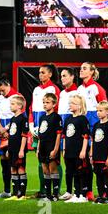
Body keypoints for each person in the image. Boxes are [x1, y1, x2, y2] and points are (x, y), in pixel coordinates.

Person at [29, 64, 61, 199]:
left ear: (50, 74)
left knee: (54, 161)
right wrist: (31, 124)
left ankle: (56, 191)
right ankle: (43, 190)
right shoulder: (36, 89)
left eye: (43, 72)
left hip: (50, 133)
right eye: (39, 72)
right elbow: (31, 108)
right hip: (38, 131)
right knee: (40, 160)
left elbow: (57, 108)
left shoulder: (54, 89)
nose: (40, 74)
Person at [77, 62, 108, 201]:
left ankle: (104, 192)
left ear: (91, 72)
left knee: (98, 162)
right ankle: (87, 191)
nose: (81, 70)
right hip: (82, 129)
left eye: (84, 68)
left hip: (95, 131)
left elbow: (105, 107)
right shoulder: (79, 89)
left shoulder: (96, 88)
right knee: (84, 163)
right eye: (81, 68)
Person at [0, 74, 23, 199]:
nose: (1, 92)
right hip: (2, 132)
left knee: (14, 160)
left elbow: (20, 114)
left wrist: (8, 128)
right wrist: (0, 128)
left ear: (8, 85)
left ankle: (19, 191)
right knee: (3, 160)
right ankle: (6, 190)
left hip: (14, 130)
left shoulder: (18, 97)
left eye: (2, 89)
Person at [62, 95, 91, 203]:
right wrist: (64, 149)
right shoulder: (68, 119)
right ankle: (76, 194)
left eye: (72, 103)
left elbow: (86, 136)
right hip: (69, 151)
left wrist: (83, 150)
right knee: (72, 172)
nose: (70, 105)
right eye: (69, 103)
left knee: (81, 172)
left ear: (79, 106)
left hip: (79, 151)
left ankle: (83, 195)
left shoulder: (83, 119)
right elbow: (64, 136)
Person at [89, 101, 108, 205]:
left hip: (105, 156)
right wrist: (91, 154)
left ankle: (107, 197)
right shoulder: (96, 125)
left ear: (107, 112)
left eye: (100, 110)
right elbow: (93, 141)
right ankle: (100, 195)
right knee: (98, 176)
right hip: (96, 155)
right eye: (97, 110)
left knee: (105, 176)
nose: (98, 113)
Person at [36, 93, 62, 201]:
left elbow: (58, 133)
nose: (45, 104)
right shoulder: (42, 117)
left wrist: (56, 149)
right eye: (44, 102)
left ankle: (55, 194)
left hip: (51, 146)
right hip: (42, 147)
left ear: (54, 104)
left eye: (47, 102)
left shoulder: (56, 117)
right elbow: (40, 135)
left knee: (53, 169)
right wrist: (38, 148)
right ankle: (48, 195)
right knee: (45, 170)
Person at [58, 68, 78, 201]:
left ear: (72, 77)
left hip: (74, 132)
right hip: (64, 132)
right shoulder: (62, 93)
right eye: (61, 76)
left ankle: (80, 191)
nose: (62, 78)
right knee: (67, 163)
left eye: (64, 76)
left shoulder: (78, 92)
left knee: (77, 164)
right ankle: (69, 190)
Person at [4, 96, 29, 201]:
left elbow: (24, 135)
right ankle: (15, 193)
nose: (11, 106)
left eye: (13, 104)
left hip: (19, 149)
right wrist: (8, 149)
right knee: (13, 169)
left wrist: (22, 150)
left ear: (19, 106)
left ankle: (22, 194)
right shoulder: (13, 119)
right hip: (12, 148)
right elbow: (11, 135)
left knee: (20, 168)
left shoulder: (23, 119)